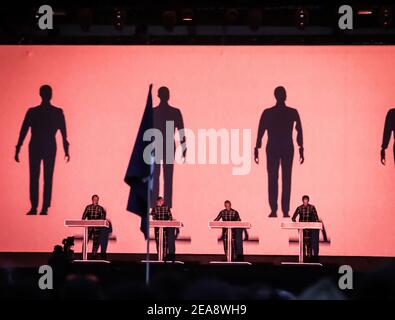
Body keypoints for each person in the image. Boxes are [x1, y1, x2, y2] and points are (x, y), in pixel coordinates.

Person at [15, 85, 70, 215]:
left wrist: (18, 147)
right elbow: (23, 131)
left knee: (40, 176)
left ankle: (40, 207)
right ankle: (39, 207)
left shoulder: (39, 112)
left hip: (42, 145)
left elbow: (64, 134)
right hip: (42, 145)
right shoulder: (49, 112)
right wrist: (18, 147)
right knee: (43, 176)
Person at [255, 86, 304, 218]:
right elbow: (261, 130)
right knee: (284, 178)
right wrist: (301, 148)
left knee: (275, 179)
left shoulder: (269, 112)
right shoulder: (291, 112)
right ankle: (281, 210)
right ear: (284, 96)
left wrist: (257, 147)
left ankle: (277, 210)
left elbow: (261, 131)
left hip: (275, 146)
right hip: (284, 146)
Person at [152, 87, 187, 208]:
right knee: (166, 178)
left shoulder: (153, 112)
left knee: (156, 177)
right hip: (163, 145)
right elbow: (181, 131)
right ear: (168, 96)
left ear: (158, 95)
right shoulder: (174, 112)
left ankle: (156, 205)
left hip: (156, 146)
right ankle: (165, 205)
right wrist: (183, 147)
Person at [291, 195, 320, 262]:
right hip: (301, 228)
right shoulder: (299, 208)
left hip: (308, 227)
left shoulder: (312, 207)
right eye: (304, 200)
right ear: (303, 201)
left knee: (309, 242)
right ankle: (303, 257)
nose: (305, 202)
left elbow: (316, 216)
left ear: (308, 200)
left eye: (306, 200)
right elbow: (293, 217)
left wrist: (317, 223)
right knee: (302, 242)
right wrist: (296, 223)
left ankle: (309, 258)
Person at [82, 195, 107, 259]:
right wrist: (83, 222)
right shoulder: (88, 207)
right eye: (94, 199)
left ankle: (93, 255)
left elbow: (102, 219)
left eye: (97, 199)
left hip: (97, 228)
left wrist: (100, 222)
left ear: (98, 200)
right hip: (89, 227)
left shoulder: (100, 208)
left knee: (96, 242)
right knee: (85, 240)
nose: (95, 200)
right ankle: (83, 255)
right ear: (92, 199)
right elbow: (83, 217)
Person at [151, 196, 174, 261]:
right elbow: (153, 217)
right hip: (157, 228)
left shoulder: (166, 208)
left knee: (165, 242)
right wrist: (156, 220)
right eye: (159, 202)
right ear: (157, 202)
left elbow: (170, 217)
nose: (160, 203)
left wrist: (168, 222)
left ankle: (165, 256)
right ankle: (159, 255)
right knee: (158, 241)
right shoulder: (154, 208)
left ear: (163, 202)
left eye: (161, 201)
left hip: (165, 228)